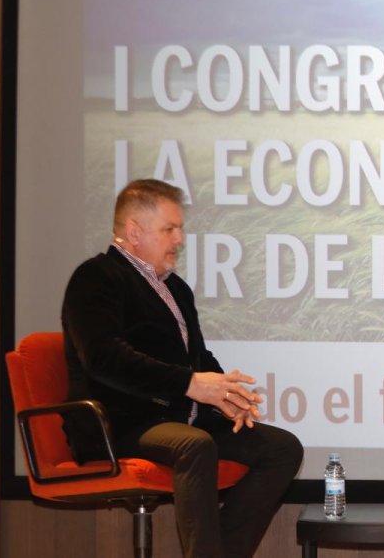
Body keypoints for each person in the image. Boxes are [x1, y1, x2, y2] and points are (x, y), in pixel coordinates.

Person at [62, 179, 303, 558]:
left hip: (177, 419)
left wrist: (226, 394)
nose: (179, 239)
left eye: (180, 229)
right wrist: (190, 384)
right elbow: (103, 358)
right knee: (195, 445)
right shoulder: (97, 278)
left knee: (282, 449)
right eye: (169, 229)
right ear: (133, 232)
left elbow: (198, 358)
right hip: (118, 423)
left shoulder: (175, 289)